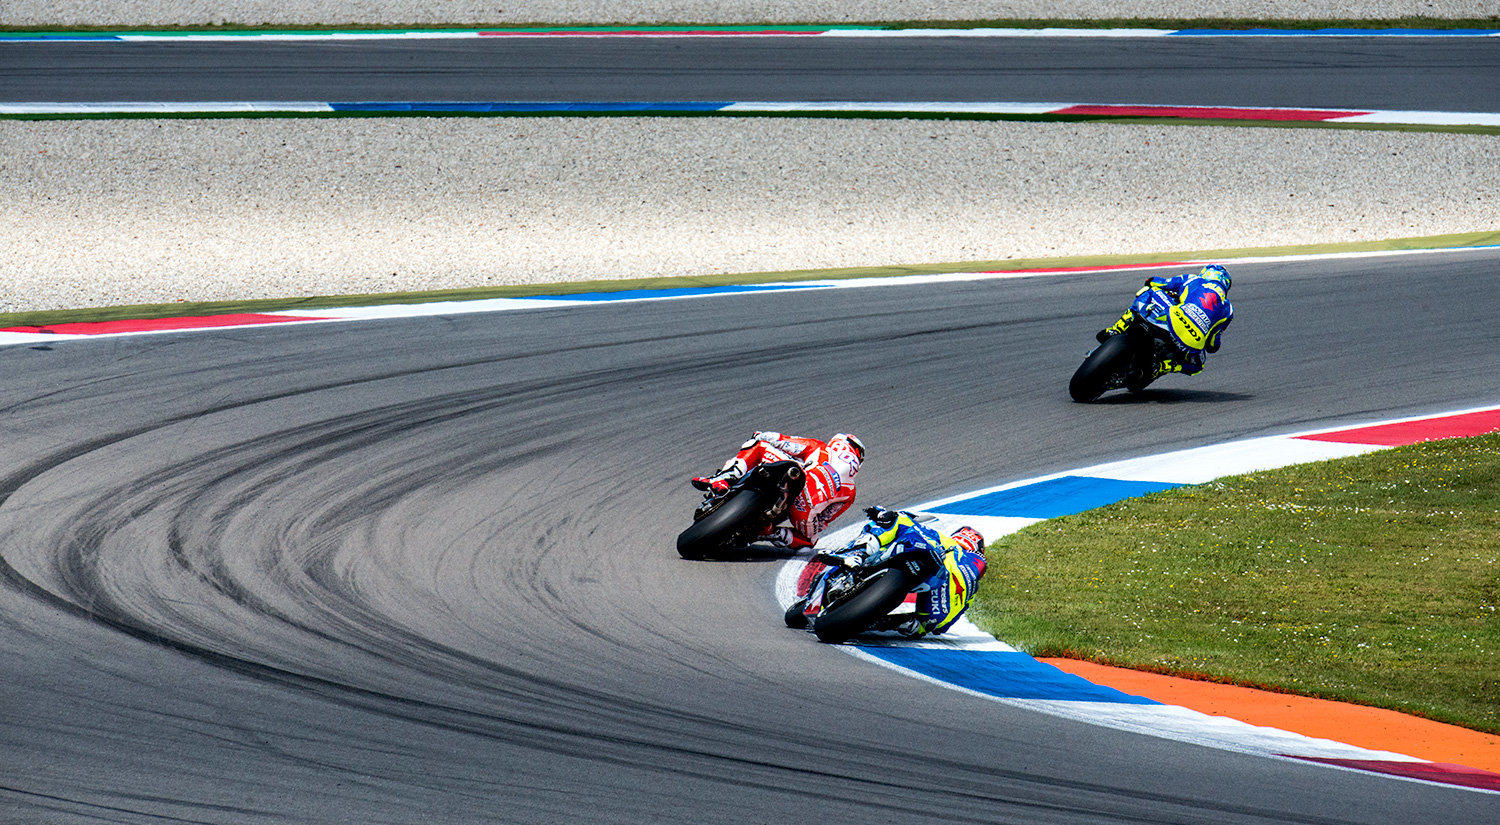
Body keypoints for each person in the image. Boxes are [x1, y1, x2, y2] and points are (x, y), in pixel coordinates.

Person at [789, 507, 986, 638]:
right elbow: (945, 624)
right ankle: (899, 623)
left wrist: (880, 513)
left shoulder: (937, 535)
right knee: (925, 625)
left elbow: (900, 517)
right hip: (941, 578)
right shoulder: (972, 566)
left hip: (926, 551)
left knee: (892, 521)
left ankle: (857, 553)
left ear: (958, 536)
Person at [691, 431, 865, 549]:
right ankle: (770, 532)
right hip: (804, 512)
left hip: (798, 478)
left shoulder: (821, 448)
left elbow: (783, 441)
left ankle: (723, 479)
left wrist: (761, 434)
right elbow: (825, 519)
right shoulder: (850, 492)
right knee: (810, 541)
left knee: (758, 444)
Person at [1097, 264, 1234, 376]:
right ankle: (1162, 367)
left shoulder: (1194, 279)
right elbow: (1212, 345)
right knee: (1198, 365)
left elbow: (1160, 282)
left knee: (1149, 291)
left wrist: (1150, 281)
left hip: (1173, 320)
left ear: (1206, 273)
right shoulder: (1228, 310)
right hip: (1190, 342)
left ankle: (1117, 329)